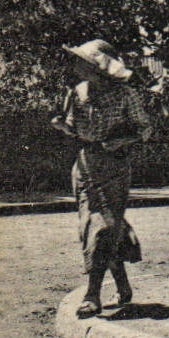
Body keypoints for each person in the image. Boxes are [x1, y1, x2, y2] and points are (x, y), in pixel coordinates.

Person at [51, 39, 153, 318]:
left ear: (98, 67)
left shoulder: (125, 95)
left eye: (82, 62)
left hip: (115, 167)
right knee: (93, 224)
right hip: (85, 166)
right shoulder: (78, 92)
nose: (76, 66)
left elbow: (144, 129)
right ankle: (119, 280)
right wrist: (62, 126)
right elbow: (74, 127)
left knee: (104, 225)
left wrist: (120, 141)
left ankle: (92, 294)